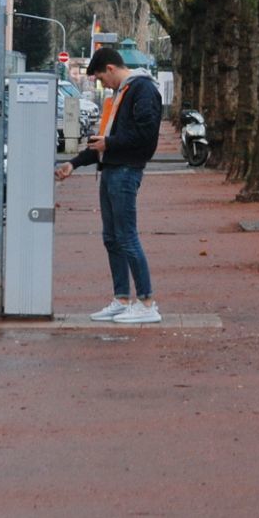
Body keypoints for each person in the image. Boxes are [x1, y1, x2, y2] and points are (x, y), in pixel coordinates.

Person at [55, 47, 163, 324]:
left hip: (125, 170)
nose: (103, 85)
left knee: (126, 236)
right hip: (113, 169)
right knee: (113, 237)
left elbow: (145, 134)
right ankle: (122, 298)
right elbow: (108, 139)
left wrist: (110, 144)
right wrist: (75, 163)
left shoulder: (141, 90)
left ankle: (147, 301)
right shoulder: (122, 94)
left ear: (111, 69)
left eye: (102, 79)